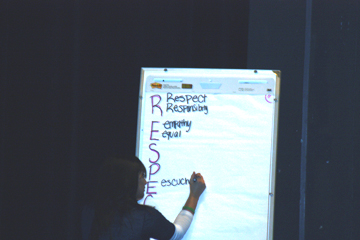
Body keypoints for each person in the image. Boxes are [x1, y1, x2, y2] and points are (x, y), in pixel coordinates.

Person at [81, 156, 206, 240]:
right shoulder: (145, 217)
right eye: (142, 176)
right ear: (129, 180)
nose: (145, 182)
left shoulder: (89, 211)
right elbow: (177, 232)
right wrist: (194, 196)